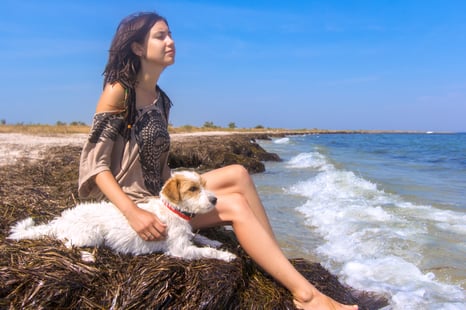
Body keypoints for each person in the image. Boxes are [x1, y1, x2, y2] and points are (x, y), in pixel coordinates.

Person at [78, 11, 358, 310]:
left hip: (159, 192)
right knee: (235, 204)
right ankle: (307, 297)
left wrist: (179, 191)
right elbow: (95, 165)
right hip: (134, 202)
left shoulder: (160, 98)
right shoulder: (119, 91)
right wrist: (133, 213)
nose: (171, 41)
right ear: (136, 47)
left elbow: (156, 164)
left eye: (170, 34)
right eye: (160, 36)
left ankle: (274, 257)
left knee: (238, 173)